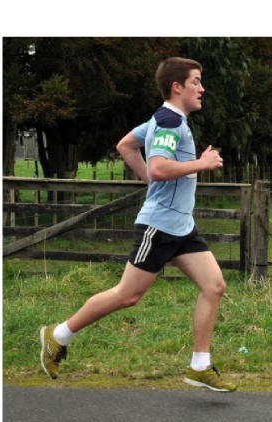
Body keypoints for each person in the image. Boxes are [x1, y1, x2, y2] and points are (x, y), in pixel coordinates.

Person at [39, 57, 235, 393]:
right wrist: (200, 164)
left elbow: (126, 146)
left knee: (214, 286)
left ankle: (200, 366)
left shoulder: (165, 119)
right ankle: (57, 335)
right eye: (196, 81)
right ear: (177, 87)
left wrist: (151, 181)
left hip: (182, 226)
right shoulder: (169, 122)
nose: (202, 89)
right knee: (127, 296)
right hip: (159, 227)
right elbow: (158, 167)